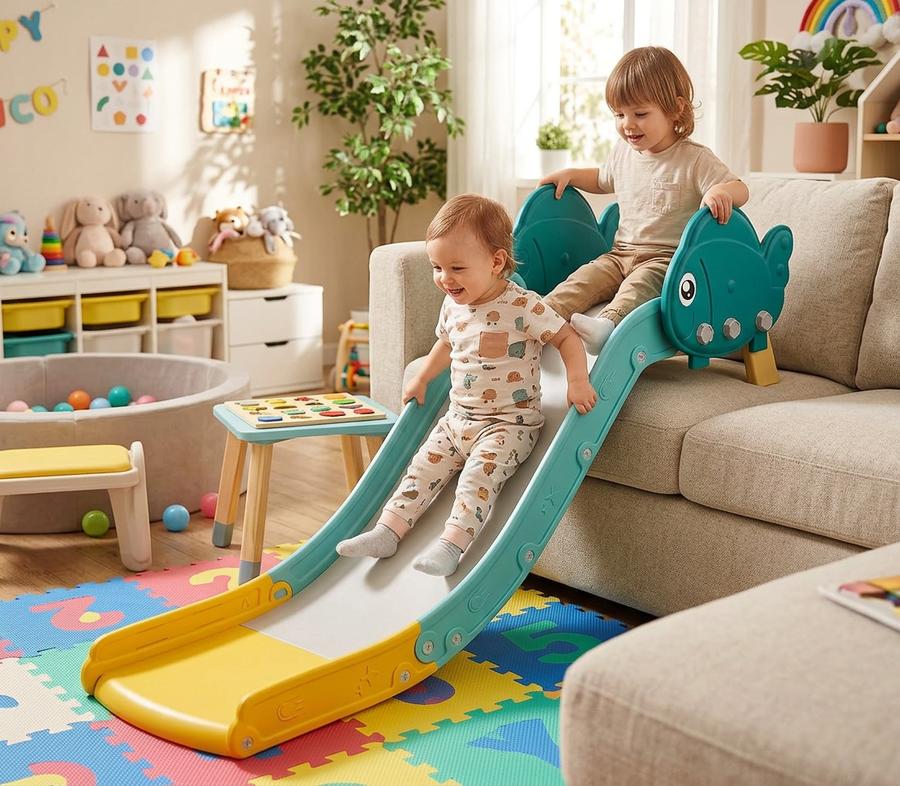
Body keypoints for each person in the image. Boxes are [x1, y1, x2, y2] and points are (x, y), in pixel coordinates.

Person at [336, 194, 596, 576]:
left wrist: (577, 380)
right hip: (457, 419)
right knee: (420, 469)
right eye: (437, 267)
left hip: (509, 426)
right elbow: (445, 343)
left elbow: (566, 338)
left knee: (477, 479)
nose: (445, 279)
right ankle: (387, 532)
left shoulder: (523, 306)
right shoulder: (452, 305)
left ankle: (450, 547)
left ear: (495, 262)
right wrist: (424, 376)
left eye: (456, 267)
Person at [540, 46, 749, 354]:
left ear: (676, 109)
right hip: (619, 253)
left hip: (666, 260)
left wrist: (721, 192)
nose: (628, 124)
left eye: (640, 114)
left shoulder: (694, 159)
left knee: (638, 287)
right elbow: (601, 179)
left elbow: (739, 188)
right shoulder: (623, 152)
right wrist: (570, 174)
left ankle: (608, 325)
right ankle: (541, 316)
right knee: (583, 278)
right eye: (619, 115)